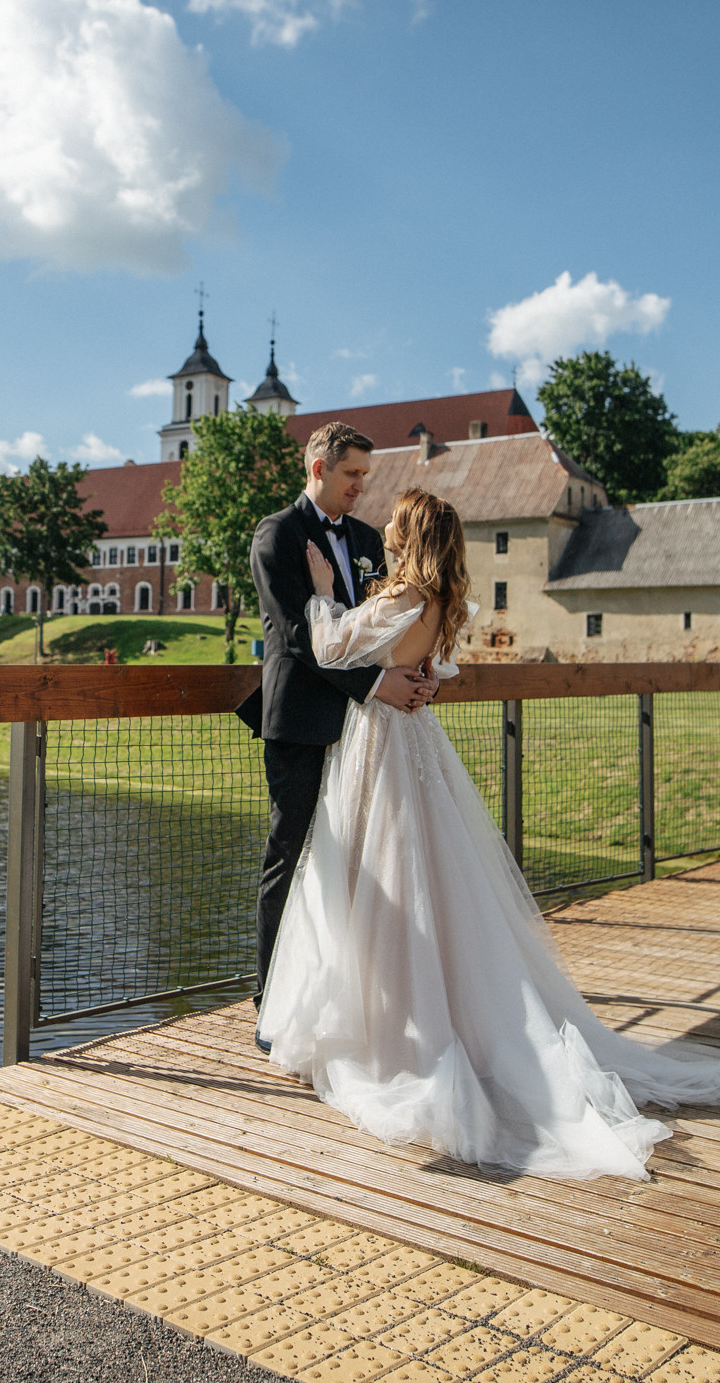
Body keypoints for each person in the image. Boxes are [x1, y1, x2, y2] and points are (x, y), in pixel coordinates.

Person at [258, 487, 720, 1181]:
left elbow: (330, 645)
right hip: (413, 740)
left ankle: (397, 1030)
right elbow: (435, 668)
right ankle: (422, 1010)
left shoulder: (403, 599)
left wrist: (319, 591)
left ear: (413, 534)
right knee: (423, 878)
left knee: (382, 878)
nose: (388, 525)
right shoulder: (437, 601)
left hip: (381, 747)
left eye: (399, 520)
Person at [245, 423, 439, 1026]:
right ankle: (270, 1005)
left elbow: (379, 629)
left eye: (365, 476)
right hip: (302, 722)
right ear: (318, 468)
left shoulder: (362, 538)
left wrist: (420, 671)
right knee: (292, 855)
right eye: (352, 474)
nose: (361, 486)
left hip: (366, 734)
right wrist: (378, 686)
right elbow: (297, 637)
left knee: (361, 862)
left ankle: (352, 998)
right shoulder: (277, 534)